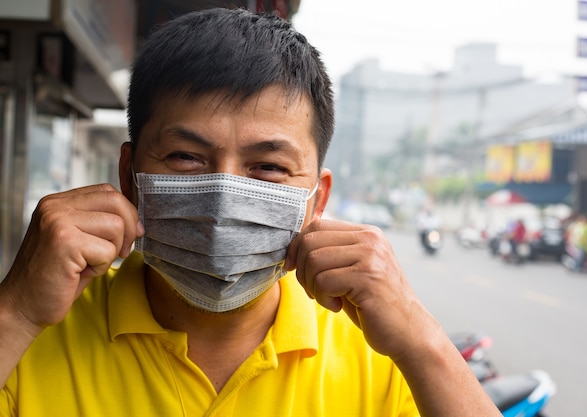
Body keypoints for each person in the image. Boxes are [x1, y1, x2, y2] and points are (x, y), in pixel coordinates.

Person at [0, 8, 500, 417]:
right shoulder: (34, 331)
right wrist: (16, 311)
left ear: (317, 199)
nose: (224, 195)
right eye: (187, 157)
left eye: (268, 166)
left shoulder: (382, 354)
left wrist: (423, 340)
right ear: (130, 173)